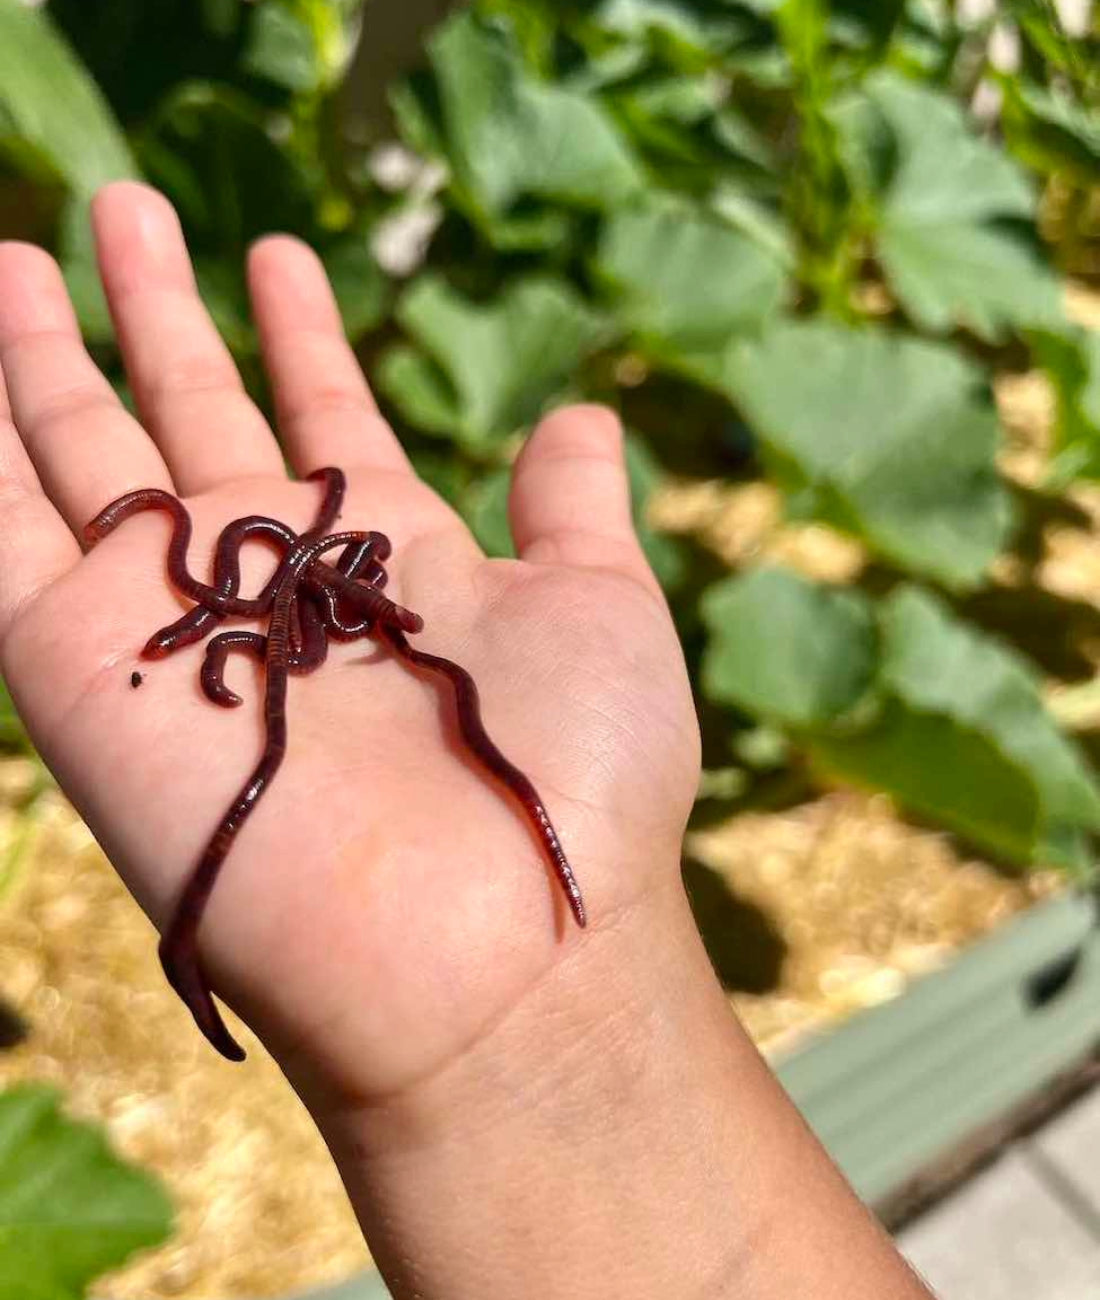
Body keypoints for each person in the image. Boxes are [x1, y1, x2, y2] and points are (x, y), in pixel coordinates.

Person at [0, 182, 935, 1299]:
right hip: (288, 589)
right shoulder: (286, 602)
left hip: (302, 589)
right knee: (267, 690)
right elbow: (261, 606)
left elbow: (304, 603)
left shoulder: (333, 596)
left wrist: (566, 991)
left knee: (296, 691)